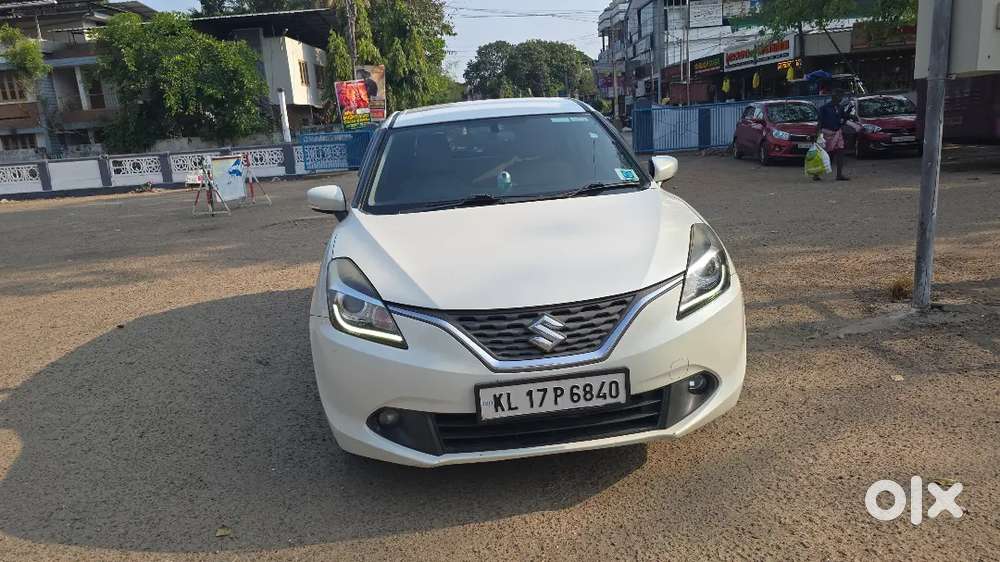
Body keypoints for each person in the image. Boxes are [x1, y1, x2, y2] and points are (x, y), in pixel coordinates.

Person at [816, 90, 850, 181]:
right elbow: (820, 121)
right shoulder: (824, 108)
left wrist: (848, 115)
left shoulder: (840, 107)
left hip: (837, 132)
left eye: (841, 97)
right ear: (833, 98)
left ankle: (839, 175)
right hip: (827, 133)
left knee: (840, 152)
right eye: (839, 97)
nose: (840, 99)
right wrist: (818, 133)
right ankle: (817, 173)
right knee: (825, 154)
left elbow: (843, 117)